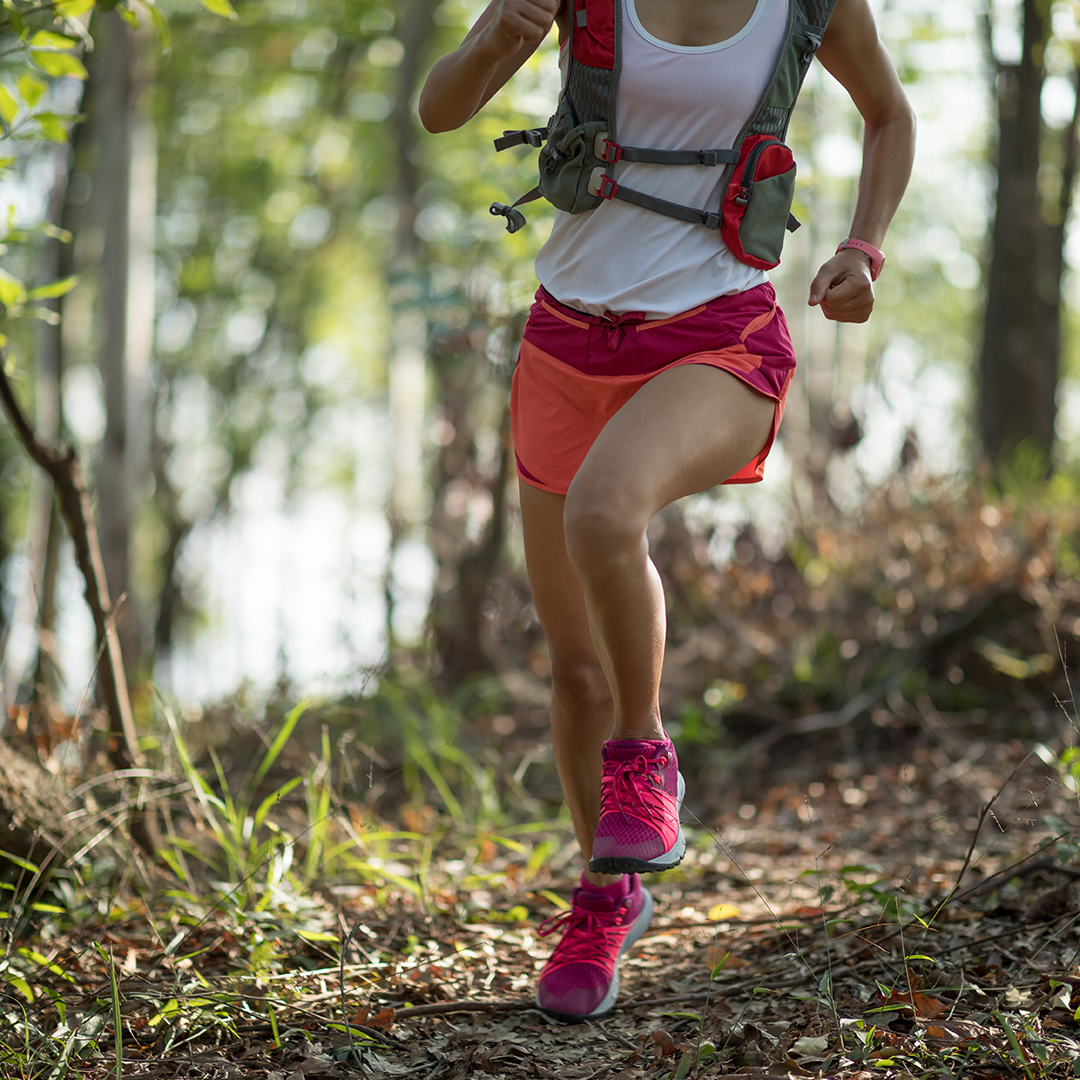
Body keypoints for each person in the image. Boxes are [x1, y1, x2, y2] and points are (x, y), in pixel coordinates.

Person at [419, 0, 914, 1022]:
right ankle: (607, 896)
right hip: (565, 342)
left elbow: (889, 115)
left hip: (717, 337)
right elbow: (440, 109)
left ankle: (644, 762)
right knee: (574, 674)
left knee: (605, 512)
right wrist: (497, 43)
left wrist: (865, 249)